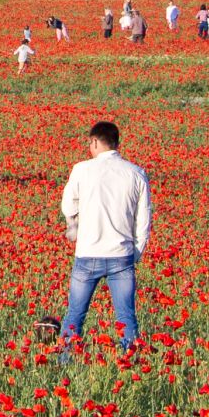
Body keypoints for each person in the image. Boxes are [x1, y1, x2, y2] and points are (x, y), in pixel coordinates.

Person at [58, 121, 152, 354]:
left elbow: (68, 204)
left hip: (88, 253)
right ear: (117, 143)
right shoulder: (136, 173)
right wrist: (135, 254)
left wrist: (74, 226)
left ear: (95, 142)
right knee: (126, 317)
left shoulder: (81, 169)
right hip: (121, 256)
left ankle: (65, 364)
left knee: (75, 315)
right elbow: (143, 221)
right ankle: (131, 362)